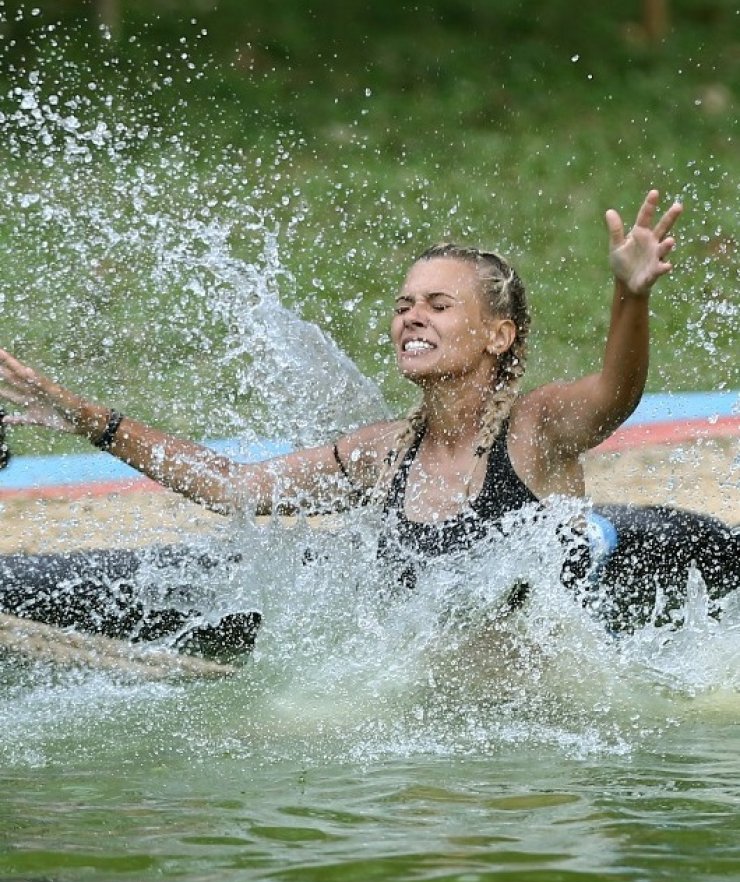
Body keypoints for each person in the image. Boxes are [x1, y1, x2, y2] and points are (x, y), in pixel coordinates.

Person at [1, 188, 738, 644]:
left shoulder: (535, 430)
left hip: (546, 718)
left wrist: (630, 295)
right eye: (403, 304)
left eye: (439, 305)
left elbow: (617, 391)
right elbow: (237, 489)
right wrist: (84, 417)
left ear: (498, 334)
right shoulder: (380, 456)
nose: (411, 316)